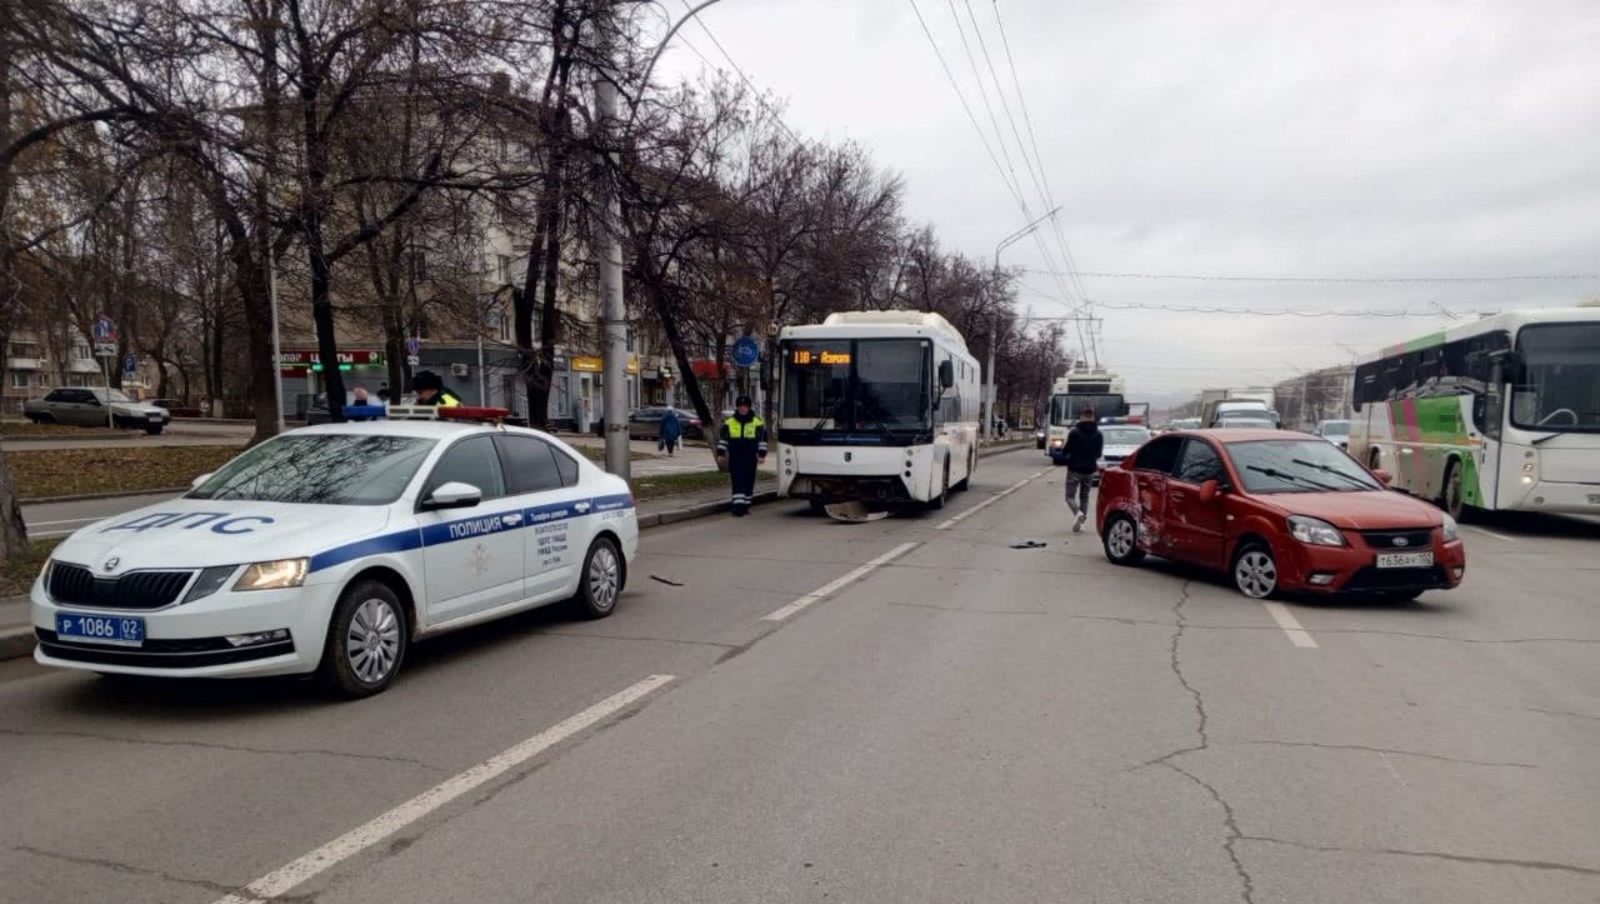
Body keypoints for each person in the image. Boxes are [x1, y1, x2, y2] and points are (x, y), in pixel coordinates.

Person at [716, 395, 767, 517]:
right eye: (740, 406)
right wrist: (721, 454)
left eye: (745, 406)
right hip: (736, 456)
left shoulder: (757, 422)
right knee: (738, 480)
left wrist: (761, 455)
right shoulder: (729, 422)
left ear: (749, 407)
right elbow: (723, 439)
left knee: (749, 481)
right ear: (737, 407)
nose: (743, 409)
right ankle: (738, 507)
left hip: (750, 456)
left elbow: (762, 440)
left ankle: (746, 505)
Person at [1062, 406, 1103, 533]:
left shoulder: (1074, 432)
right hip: (1090, 470)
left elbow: (1066, 450)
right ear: (1093, 418)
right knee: (1084, 496)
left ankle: (1078, 513)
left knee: (1069, 497)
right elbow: (1098, 454)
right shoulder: (1098, 434)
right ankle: (1082, 523)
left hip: (1074, 468)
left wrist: (1065, 454)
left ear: (1081, 417)